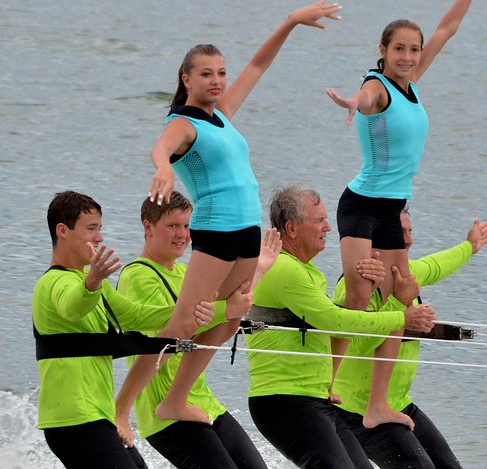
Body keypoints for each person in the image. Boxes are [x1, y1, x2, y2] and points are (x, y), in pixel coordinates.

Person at [116, 1, 342, 430]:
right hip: (217, 230)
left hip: (246, 230)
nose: (217, 80)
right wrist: (163, 168)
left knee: (234, 313)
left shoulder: (220, 116)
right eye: (206, 74)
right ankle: (123, 408)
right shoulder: (184, 122)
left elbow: (257, 65)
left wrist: (290, 21)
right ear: (186, 79)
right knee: (183, 322)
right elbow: (161, 147)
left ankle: (175, 399)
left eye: (220, 72)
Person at [32, 190, 216, 469]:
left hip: (94, 418)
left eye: (100, 229)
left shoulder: (89, 284)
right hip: (72, 422)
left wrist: (192, 311)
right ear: (63, 232)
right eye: (90, 230)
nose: (98, 239)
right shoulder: (55, 285)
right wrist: (94, 282)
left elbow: (138, 317)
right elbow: (73, 308)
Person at [246, 185, 436, 469]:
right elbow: (334, 320)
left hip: (312, 397)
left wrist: (365, 294)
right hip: (282, 400)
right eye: (319, 221)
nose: (328, 229)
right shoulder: (286, 270)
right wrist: (401, 314)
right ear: (291, 228)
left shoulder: (307, 272)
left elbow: (336, 325)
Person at [326, 1, 474, 431]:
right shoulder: (379, 87)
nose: (407, 57)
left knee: (400, 299)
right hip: (361, 205)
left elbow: (447, 28)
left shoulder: (411, 82)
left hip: (391, 210)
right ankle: (327, 383)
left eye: (414, 50)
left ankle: (377, 404)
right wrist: (352, 100)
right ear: (383, 51)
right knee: (357, 296)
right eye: (399, 50)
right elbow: (367, 98)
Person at [116, 191, 280, 469]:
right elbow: (169, 334)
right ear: (148, 227)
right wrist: (222, 310)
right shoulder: (139, 275)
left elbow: (230, 305)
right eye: (172, 225)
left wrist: (258, 271)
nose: (182, 235)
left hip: (202, 403)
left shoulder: (185, 273)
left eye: (187, 226)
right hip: (164, 413)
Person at [332, 209, 487, 469]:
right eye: (402, 234)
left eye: (409, 232)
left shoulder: (405, 273)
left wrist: (469, 246)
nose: (410, 240)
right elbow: (355, 346)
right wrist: (401, 310)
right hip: (355, 408)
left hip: (397, 401)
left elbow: (437, 264)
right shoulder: (355, 288)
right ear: (380, 244)